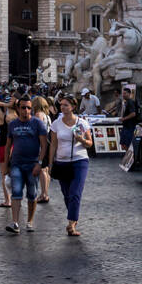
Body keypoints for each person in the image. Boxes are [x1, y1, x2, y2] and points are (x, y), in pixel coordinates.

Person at [47, 93, 93, 237]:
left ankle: (71, 223)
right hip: (61, 162)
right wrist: (50, 163)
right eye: (61, 104)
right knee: (67, 195)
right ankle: (73, 218)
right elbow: (53, 144)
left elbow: (90, 143)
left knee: (75, 193)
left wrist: (81, 139)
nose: (63, 107)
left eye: (66, 105)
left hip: (80, 161)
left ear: (73, 107)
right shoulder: (56, 124)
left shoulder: (82, 123)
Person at [4, 98, 49, 235]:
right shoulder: (12, 124)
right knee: (16, 191)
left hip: (32, 164)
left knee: (32, 194)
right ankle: (15, 222)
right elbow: (7, 146)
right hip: (16, 163)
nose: (26, 111)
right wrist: (6, 165)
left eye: (29, 108)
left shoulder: (37, 123)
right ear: (18, 109)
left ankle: (29, 221)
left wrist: (39, 163)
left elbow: (44, 145)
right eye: (23, 108)